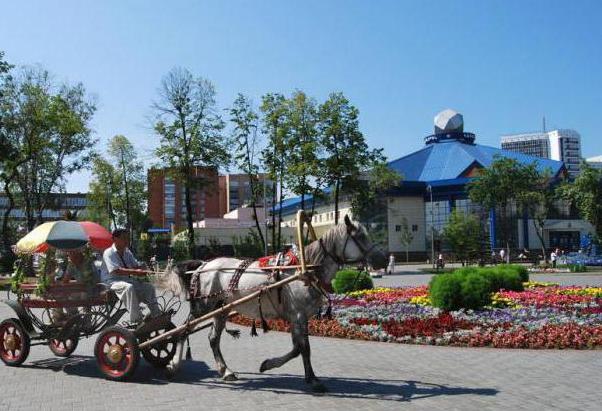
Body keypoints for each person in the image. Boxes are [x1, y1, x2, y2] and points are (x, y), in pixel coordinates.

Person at [100, 229, 160, 324]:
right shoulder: (108, 253)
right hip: (111, 282)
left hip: (126, 280)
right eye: (123, 238)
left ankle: (157, 315)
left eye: (127, 238)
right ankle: (136, 320)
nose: (126, 241)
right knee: (128, 288)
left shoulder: (127, 252)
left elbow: (135, 266)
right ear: (115, 239)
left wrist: (145, 267)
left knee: (149, 287)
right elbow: (116, 271)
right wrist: (136, 271)